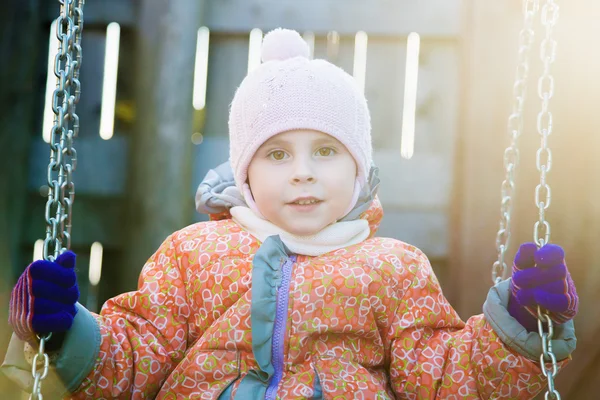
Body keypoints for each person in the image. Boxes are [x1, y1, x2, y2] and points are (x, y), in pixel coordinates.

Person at [2, 28, 577, 399]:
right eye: (276, 154)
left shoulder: (393, 268)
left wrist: (520, 328)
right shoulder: (194, 253)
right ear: (245, 175)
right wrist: (68, 330)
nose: (302, 171)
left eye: (326, 151)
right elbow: (138, 358)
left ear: (359, 171)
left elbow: (444, 374)